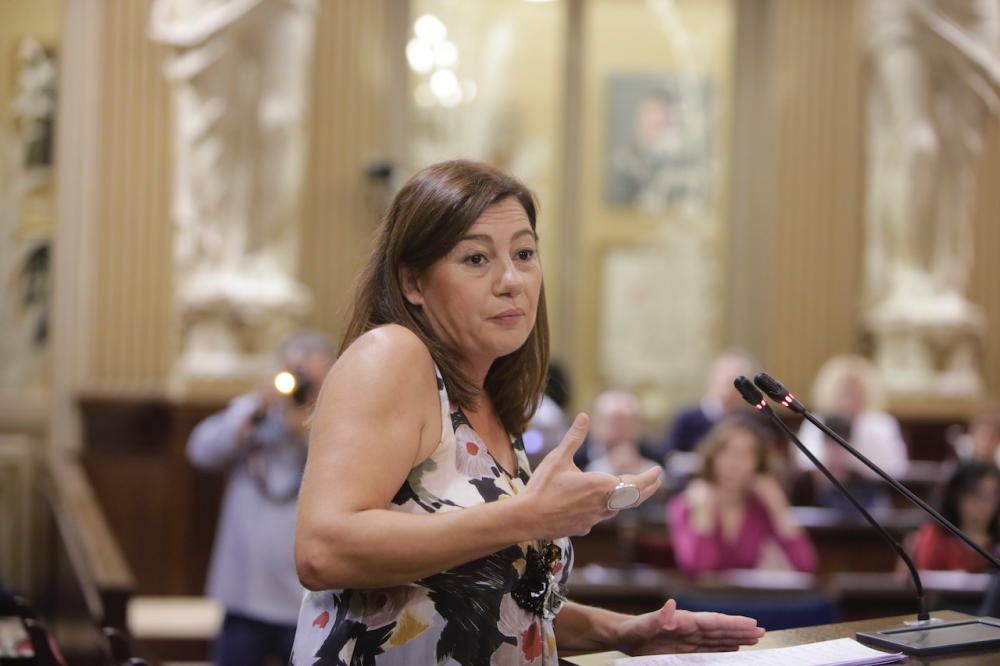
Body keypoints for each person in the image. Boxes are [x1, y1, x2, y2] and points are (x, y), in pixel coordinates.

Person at [290, 160, 763, 664]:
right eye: (476, 258)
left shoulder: (489, 401)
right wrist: (528, 516)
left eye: (524, 253)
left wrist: (622, 632)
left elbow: (492, 600)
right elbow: (323, 550)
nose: (512, 279)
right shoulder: (392, 355)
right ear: (413, 283)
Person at [187, 330, 335, 666]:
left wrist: (308, 430)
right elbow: (200, 451)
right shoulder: (254, 413)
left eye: (313, 380)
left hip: (306, 599)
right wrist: (258, 410)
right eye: (295, 375)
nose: (302, 388)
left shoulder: (334, 421)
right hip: (245, 592)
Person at [669, 416, 818, 575]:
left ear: (758, 464)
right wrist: (704, 515)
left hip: (752, 597)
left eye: (745, 455)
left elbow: (806, 566)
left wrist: (780, 510)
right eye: (726, 452)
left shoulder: (762, 505)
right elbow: (696, 568)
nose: (734, 464)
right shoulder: (686, 505)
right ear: (712, 457)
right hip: (704, 598)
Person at [794, 355, 909, 492]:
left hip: (872, 493)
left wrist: (852, 466)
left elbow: (896, 467)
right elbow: (805, 462)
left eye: (856, 392)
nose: (850, 398)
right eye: (845, 392)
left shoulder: (881, 424)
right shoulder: (816, 421)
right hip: (824, 492)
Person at [656, 352, 756, 457]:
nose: (731, 389)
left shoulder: (750, 420)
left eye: (737, 385)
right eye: (727, 381)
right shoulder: (686, 418)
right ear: (713, 379)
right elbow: (668, 454)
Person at [913, 461, 1000, 573]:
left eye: (993, 495)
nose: (985, 503)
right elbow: (923, 579)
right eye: (977, 494)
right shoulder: (935, 535)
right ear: (957, 495)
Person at [585, 390, 661, 477]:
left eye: (626, 423)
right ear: (595, 424)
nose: (619, 431)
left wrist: (639, 470)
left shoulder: (653, 454)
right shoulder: (576, 457)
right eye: (614, 423)